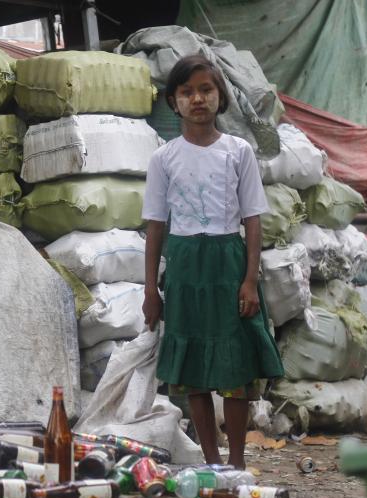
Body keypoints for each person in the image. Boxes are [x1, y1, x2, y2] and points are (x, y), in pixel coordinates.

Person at [141, 55, 284, 470]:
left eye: (206, 90)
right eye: (186, 92)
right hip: (184, 266)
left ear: (220, 97)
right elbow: (155, 228)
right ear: (173, 102)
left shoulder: (238, 152)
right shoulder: (163, 158)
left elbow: (253, 219)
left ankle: (236, 464)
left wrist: (250, 280)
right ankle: (211, 464)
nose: (197, 98)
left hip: (228, 260)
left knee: (235, 366)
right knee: (194, 374)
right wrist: (151, 289)